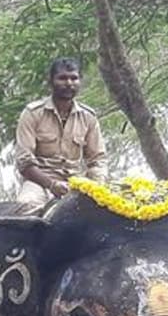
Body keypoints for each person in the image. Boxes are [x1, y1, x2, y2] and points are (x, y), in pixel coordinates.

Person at [13, 58, 107, 212]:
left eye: (74, 78)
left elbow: (98, 159)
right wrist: (52, 185)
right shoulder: (32, 113)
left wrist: (97, 186)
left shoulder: (88, 116)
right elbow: (24, 162)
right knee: (25, 206)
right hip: (40, 184)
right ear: (51, 82)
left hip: (77, 184)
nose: (69, 83)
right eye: (62, 78)